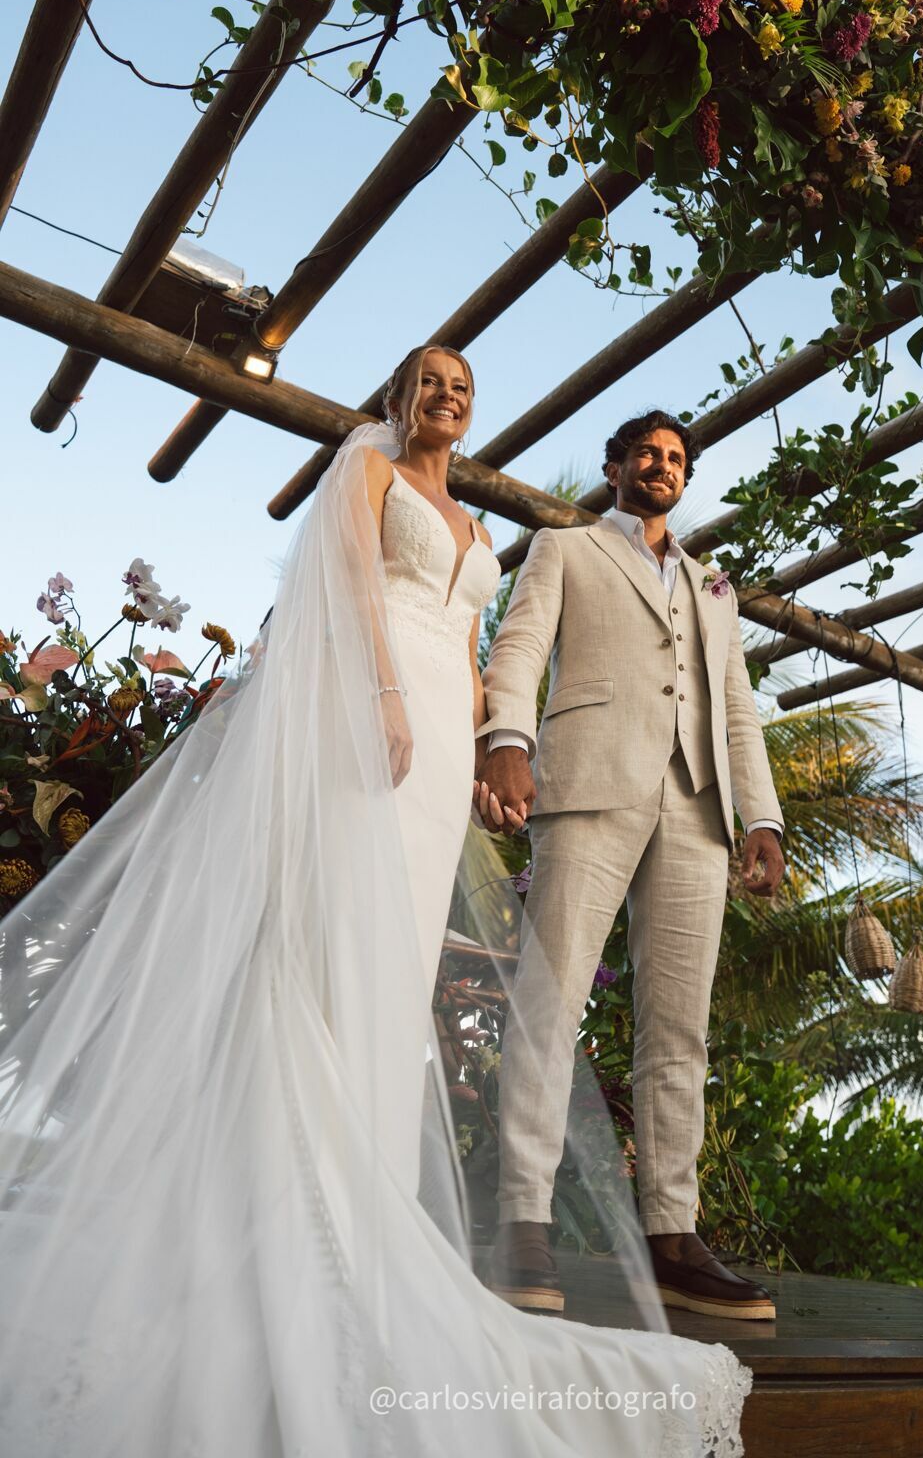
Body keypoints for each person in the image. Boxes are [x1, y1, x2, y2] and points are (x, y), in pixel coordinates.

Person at [0, 353, 751, 1456]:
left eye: (464, 384)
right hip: (376, 708)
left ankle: (359, 1206)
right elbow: (345, 588)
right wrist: (381, 699)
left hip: (447, 741)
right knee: (325, 940)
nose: (449, 393)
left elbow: (476, 643)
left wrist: (492, 762)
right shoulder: (368, 476)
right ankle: (291, 1209)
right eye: (430, 379)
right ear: (398, 398)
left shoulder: (482, 534)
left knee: (397, 955)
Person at [477, 411, 785, 1321]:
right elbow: (520, 645)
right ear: (614, 470)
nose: (662, 466)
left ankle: (672, 1232)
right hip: (589, 786)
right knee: (551, 996)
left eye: (677, 458)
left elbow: (736, 708)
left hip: (698, 810)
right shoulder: (565, 550)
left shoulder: (716, 590)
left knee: (679, 1027)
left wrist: (761, 816)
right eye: (646, 453)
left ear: (685, 479)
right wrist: (506, 736)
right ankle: (522, 1219)